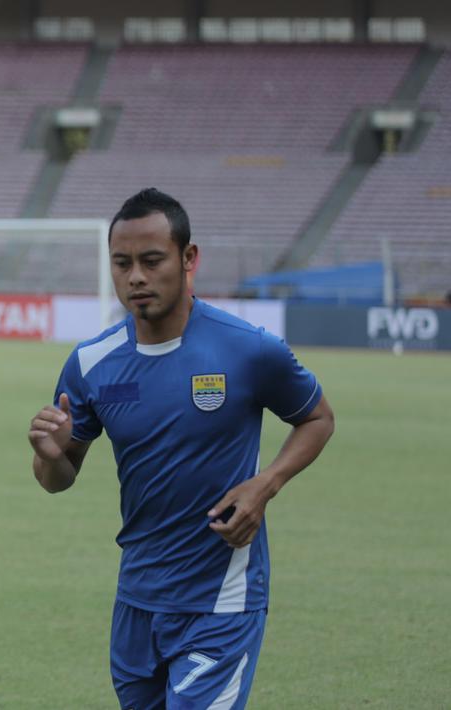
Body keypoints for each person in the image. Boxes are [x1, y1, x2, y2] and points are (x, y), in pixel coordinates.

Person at [28, 188, 334, 710]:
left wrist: (265, 485)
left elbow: (317, 418)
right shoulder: (91, 362)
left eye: (151, 261)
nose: (136, 278)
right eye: (122, 264)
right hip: (137, 600)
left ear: (188, 259)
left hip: (221, 598)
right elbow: (57, 478)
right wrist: (50, 455)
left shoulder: (247, 348)